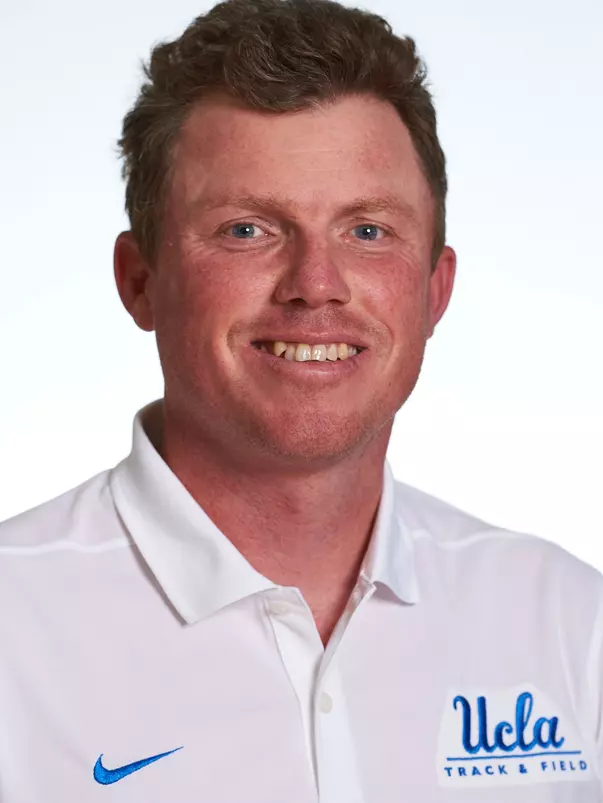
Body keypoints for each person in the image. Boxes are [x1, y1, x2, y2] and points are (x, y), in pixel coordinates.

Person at [1, 0, 601, 800]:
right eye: (248, 230)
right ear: (138, 280)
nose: (316, 286)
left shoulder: (566, 622)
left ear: (434, 288)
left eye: (367, 231)